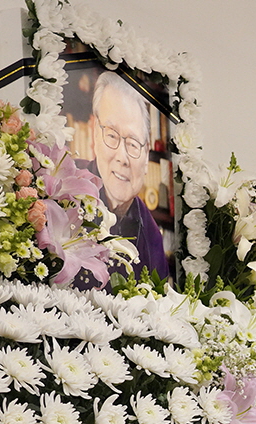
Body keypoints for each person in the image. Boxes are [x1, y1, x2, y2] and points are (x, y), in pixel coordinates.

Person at [79, 71, 169, 287]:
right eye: (111, 135)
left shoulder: (152, 236)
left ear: (147, 155)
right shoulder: (65, 191)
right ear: (94, 135)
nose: (122, 157)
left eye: (133, 144)